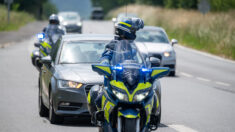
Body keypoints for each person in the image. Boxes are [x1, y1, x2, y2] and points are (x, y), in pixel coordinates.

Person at [88, 18, 161, 127]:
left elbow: (141, 61)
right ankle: (100, 118)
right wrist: (104, 63)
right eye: (133, 30)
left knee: (153, 94)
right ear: (125, 30)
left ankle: (151, 119)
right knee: (98, 98)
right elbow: (106, 56)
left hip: (131, 81)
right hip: (115, 81)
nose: (134, 33)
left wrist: (148, 66)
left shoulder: (134, 47)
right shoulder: (113, 45)